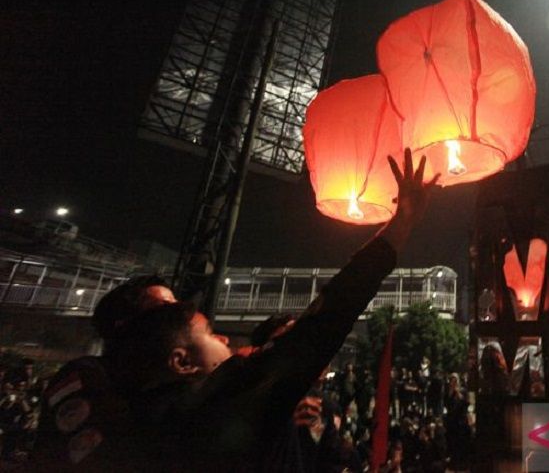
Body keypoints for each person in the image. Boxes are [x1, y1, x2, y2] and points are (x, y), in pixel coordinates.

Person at [108, 149, 439, 470]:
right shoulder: (216, 405)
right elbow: (323, 322)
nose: (223, 338)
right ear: (181, 362)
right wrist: (401, 224)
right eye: (209, 333)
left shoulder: (122, 420)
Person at [30, 275, 177, 471]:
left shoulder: (162, 381)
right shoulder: (86, 376)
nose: (179, 313)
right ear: (126, 324)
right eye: (164, 306)